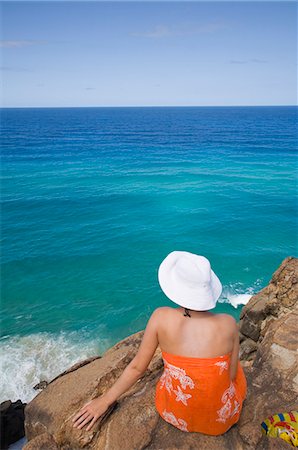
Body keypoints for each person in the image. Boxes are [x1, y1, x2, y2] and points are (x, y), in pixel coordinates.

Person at [72, 251, 247, 435]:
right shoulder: (228, 323)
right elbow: (232, 374)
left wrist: (105, 400)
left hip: (176, 413)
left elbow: (137, 368)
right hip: (220, 420)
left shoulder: (160, 317)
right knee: (233, 370)